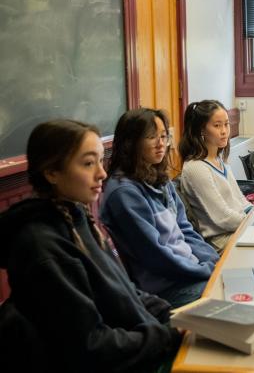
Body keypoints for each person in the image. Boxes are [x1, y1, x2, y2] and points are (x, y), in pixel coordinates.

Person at [0, 120, 181, 372]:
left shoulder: (76, 215)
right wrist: (168, 336)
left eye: (99, 160)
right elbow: (91, 347)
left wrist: (175, 317)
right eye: (88, 163)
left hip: (144, 344)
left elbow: (125, 291)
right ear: (51, 172)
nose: (102, 173)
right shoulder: (41, 247)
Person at [101, 108, 219, 308]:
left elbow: (186, 230)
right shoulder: (123, 193)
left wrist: (213, 261)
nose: (161, 143)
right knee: (228, 293)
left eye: (164, 136)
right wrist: (204, 271)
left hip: (188, 273)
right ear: (131, 143)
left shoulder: (159, 178)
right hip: (166, 289)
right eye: (151, 137)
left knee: (231, 278)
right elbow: (156, 256)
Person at [178, 100, 253, 253]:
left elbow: (240, 200)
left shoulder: (219, 159)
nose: (224, 131)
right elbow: (223, 218)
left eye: (226, 124)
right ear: (202, 130)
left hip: (238, 228)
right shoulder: (196, 168)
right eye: (217, 125)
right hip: (221, 241)